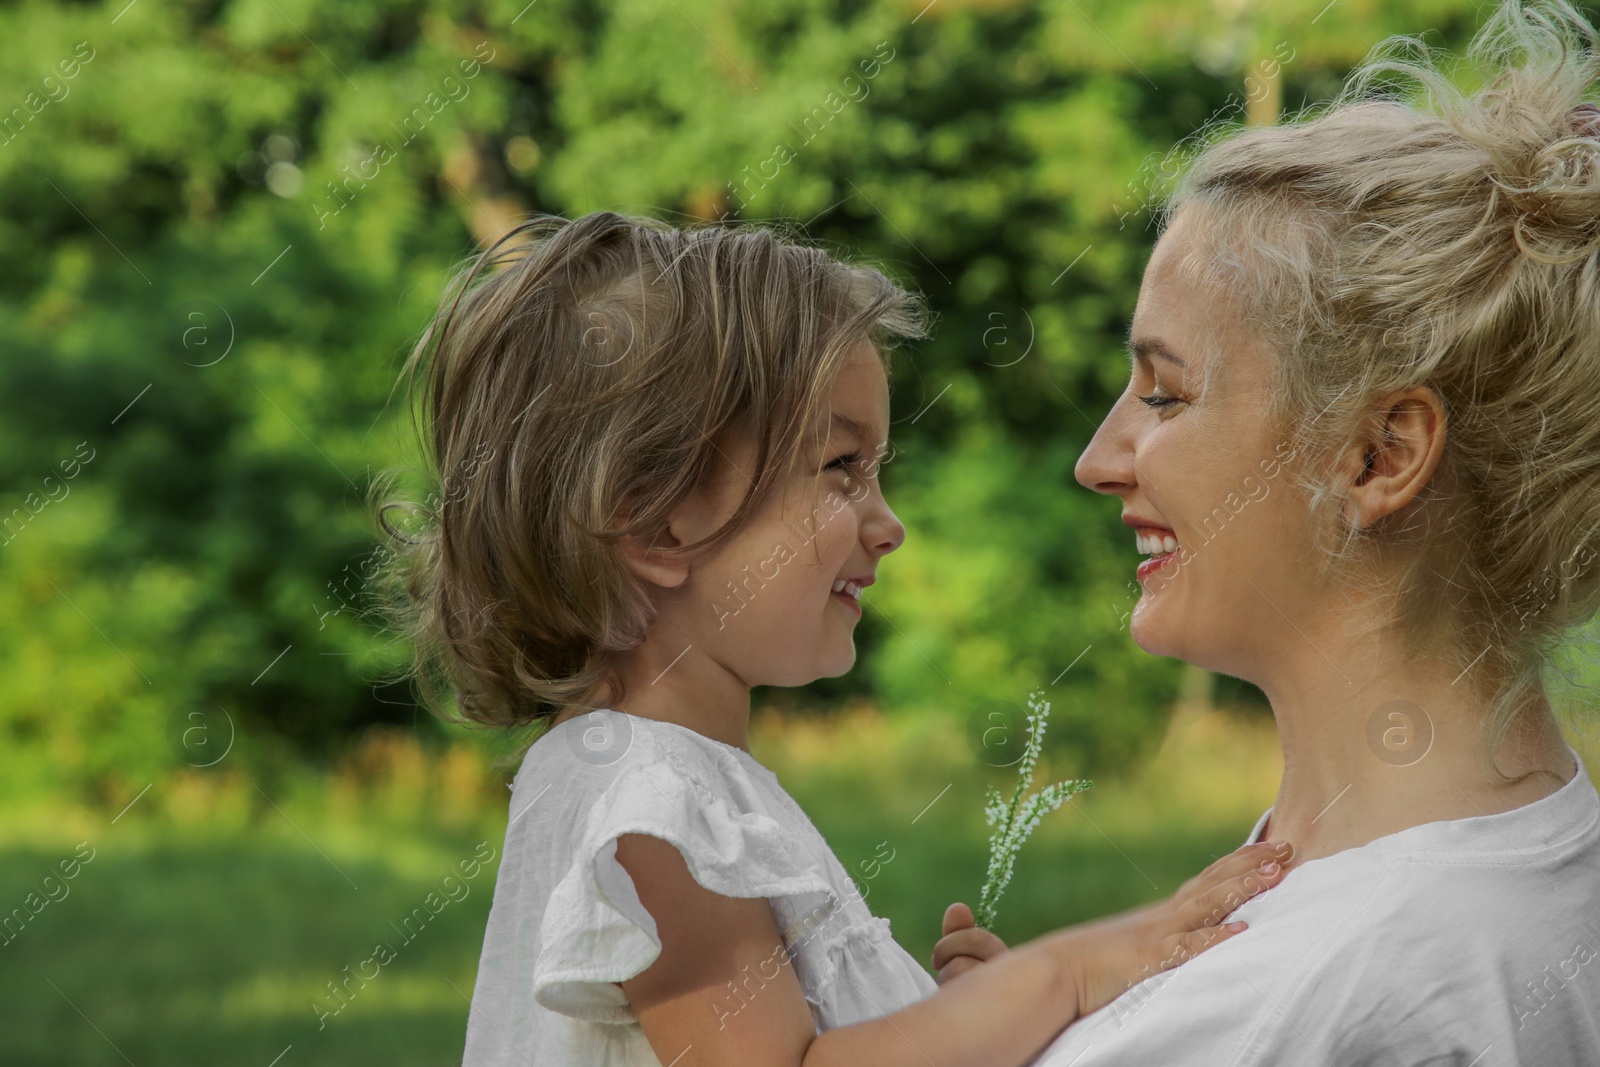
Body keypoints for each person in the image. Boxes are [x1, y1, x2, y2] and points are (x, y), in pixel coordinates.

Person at [370, 211, 1292, 1067]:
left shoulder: (676, 781)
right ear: (655, 524)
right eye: (841, 467)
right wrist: (1060, 975)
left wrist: (953, 1016)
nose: (887, 523)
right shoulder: (648, 802)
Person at [1042, 1, 1600, 1062]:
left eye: (1164, 395)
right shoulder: (1536, 864)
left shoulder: (1320, 991)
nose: (1098, 458)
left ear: (1377, 456)